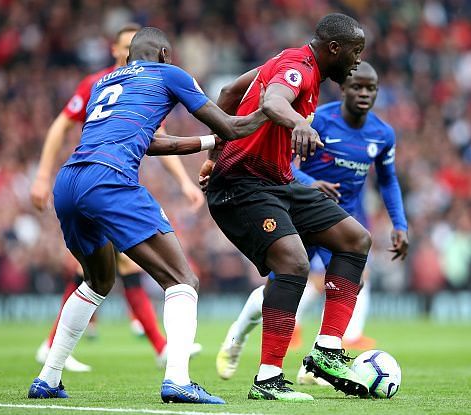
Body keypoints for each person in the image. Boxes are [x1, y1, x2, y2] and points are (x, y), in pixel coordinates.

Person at [27, 26, 267, 404]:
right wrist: (269, 114)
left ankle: (48, 378)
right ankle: (178, 379)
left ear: (128, 57)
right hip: (110, 180)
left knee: (96, 282)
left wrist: (207, 143)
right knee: (182, 280)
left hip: (70, 181)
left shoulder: (103, 83)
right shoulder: (170, 74)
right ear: (166, 54)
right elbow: (230, 124)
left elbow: (151, 141)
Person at [201, 13, 370, 401]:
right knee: (293, 263)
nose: (358, 61)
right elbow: (273, 99)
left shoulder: (285, 61)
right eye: (355, 52)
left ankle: (327, 351)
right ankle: (268, 379)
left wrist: (214, 156)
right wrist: (299, 123)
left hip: (277, 183)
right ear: (334, 49)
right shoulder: (298, 69)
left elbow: (229, 92)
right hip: (242, 186)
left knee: (354, 239)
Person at [214, 62, 409, 386]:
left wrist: (399, 223)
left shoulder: (382, 134)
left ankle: (317, 361)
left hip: (338, 221)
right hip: (297, 211)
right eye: (357, 86)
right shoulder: (317, 120)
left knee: (350, 283)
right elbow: (283, 163)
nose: (363, 93)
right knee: (280, 287)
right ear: (343, 88)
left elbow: (388, 181)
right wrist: (310, 182)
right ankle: (236, 337)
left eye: (370, 88)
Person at [30, 23, 204, 372]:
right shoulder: (108, 82)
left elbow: (157, 138)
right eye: (129, 48)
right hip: (104, 182)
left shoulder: (138, 83)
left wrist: (184, 181)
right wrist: (40, 175)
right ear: (118, 51)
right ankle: (163, 354)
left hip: (83, 182)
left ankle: (52, 366)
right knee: (152, 272)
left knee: (105, 274)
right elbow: (61, 125)